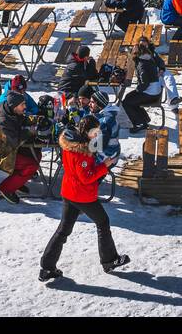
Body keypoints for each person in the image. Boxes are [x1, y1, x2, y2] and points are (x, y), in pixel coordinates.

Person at [39, 115, 129, 281]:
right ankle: (109, 260)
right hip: (83, 195)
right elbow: (86, 177)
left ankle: (46, 267)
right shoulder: (83, 152)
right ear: (87, 132)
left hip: (69, 192)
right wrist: (104, 166)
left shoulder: (71, 144)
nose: (97, 135)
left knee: (63, 230)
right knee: (103, 222)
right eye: (95, 132)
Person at [0, 91, 40, 203]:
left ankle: (16, 182)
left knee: (36, 153)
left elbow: (23, 119)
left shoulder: (11, 112)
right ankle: (6, 188)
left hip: (7, 148)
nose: (25, 107)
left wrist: (37, 119)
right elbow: (14, 141)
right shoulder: (3, 121)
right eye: (22, 105)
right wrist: (29, 132)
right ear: (14, 106)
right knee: (31, 165)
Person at [123, 36, 166, 132]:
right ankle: (144, 120)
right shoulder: (148, 57)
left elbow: (144, 83)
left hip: (151, 94)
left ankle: (139, 124)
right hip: (154, 90)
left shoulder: (142, 64)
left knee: (127, 102)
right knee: (129, 97)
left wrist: (138, 90)